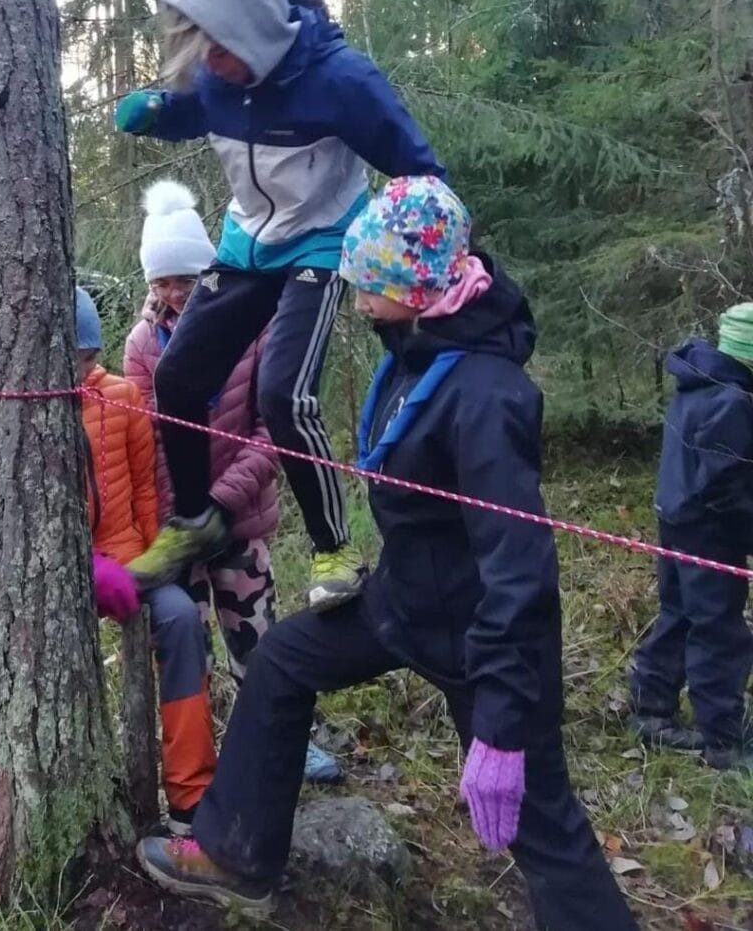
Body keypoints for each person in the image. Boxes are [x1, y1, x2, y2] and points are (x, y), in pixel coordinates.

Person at [132, 177, 638, 930]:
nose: (358, 300)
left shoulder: (488, 395)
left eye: (371, 284)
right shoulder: (415, 346)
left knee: (543, 825)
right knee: (281, 661)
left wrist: (501, 724)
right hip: (405, 604)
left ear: (416, 282)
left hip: (485, 640)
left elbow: (519, 574)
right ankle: (236, 855)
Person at [115, 0, 445, 613]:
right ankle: (195, 524)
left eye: (221, 47)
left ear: (254, 29)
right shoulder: (217, 77)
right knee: (178, 375)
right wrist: (157, 111)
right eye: (202, 51)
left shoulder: (340, 79)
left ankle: (333, 546)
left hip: (321, 242)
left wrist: (428, 258)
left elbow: (419, 170)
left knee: (281, 394)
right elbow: (194, 109)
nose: (211, 63)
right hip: (248, 244)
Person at [123, 178, 342, 784]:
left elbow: (277, 429)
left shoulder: (259, 326)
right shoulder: (143, 347)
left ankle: (288, 746)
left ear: (211, 274)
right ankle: (201, 761)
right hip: (182, 527)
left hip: (240, 520)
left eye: (186, 278)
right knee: (188, 643)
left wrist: (222, 498)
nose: (174, 292)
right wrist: (181, 515)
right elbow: (150, 437)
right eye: (163, 281)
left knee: (259, 640)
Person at [76, 287, 216, 834]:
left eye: (87, 356)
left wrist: (158, 559)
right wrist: (89, 570)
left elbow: (146, 492)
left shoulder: (124, 398)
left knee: (182, 618)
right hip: (73, 574)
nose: (82, 368)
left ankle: (190, 791)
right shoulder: (31, 408)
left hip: (135, 563)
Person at [630, 305, 753, 771]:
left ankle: (651, 706)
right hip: (707, 533)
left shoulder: (697, 385)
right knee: (719, 629)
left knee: (680, 613)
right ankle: (723, 739)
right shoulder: (732, 403)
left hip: (675, 516)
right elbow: (728, 489)